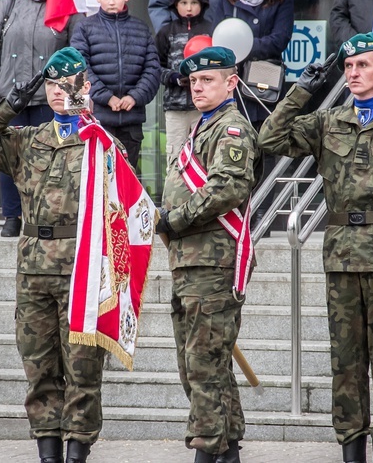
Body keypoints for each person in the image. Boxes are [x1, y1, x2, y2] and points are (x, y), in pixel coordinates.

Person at [259, 33, 373, 463]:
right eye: (349, 67)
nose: (355, 73)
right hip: (341, 255)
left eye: (364, 65)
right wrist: (302, 89)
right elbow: (270, 139)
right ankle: (350, 449)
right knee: (344, 360)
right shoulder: (328, 121)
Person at [0, 47, 124, 463]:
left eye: (66, 84)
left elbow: (121, 208)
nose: (56, 92)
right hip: (34, 271)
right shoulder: (26, 140)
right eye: (51, 84)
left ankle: (77, 451)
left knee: (83, 367)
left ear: (85, 87)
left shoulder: (101, 143)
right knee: (38, 366)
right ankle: (48, 451)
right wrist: (9, 106)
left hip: (82, 270)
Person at [156, 46, 260, 463]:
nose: (198, 88)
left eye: (207, 80)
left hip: (211, 264)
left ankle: (207, 451)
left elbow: (227, 188)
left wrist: (173, 220)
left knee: (202, 365)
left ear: (231, 82)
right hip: (190, 262)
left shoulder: (231, 128)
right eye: (194, 82)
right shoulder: (204, 127)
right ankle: (228, 448)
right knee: (205, 364)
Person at [0, 0, 83, 237]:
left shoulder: (65, 9)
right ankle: (12, 217)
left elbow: (76, 54)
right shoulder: (9, 4)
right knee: (9, 157)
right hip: (12, 98)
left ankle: (44, 215)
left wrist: (64, 89)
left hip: (49, 101)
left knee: (49, 160)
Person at [214, 0, 293, 227]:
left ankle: (263, 212)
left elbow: (279, 40)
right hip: (232, 82)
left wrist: (243, 45)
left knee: (266, 147)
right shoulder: (226, 1)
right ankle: (237, 212)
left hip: (264, 79)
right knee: (235, 147)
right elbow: (218, 38)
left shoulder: (281, 1)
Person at [71, 0, 161, 174]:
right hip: (98, 118)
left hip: (131, 121)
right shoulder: (85, 28)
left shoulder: (141, 28)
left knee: (128, 177)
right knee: (99, 178)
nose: (112, 1)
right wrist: (106, 97)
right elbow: (80, 68)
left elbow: (152, 68)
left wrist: (135, 97)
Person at [155, 0, 213, 163]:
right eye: (184, 2)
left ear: (202, 3)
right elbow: (155, 66)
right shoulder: (166, 32)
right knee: (175, 157)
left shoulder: (211, 30)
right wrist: (174, 78)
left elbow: (220, 66)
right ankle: (175, 192)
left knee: (204, 156)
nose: (189, 8)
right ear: (175, 4)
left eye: (194, 2)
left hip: (205, 108)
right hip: (175, 108)